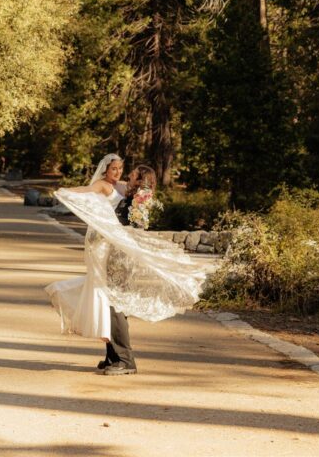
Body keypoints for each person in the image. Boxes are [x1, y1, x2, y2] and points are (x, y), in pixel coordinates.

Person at [45, 153, 207, 376]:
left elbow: (130, 226)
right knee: (110, 303)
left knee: (115, 306)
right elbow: (97, 192)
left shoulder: (137, 200)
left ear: (139, 181)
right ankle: (113, 356)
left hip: (120, 258)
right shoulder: (131, 195)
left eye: (130, 176)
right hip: (115, 255)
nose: (125, 178)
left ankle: (125, 360)